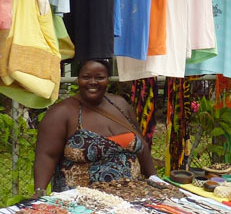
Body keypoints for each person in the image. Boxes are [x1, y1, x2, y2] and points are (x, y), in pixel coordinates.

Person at [33, 60, 156, 197]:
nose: (93, 82)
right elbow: (47, 156)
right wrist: (40, 192)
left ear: (108, 80)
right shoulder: (62, 113)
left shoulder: (120, 105)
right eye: (86, 77)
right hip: (81, 203)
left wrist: (154, 179)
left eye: (99, 77)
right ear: (78, 80)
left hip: (131, 197)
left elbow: (142, 146)